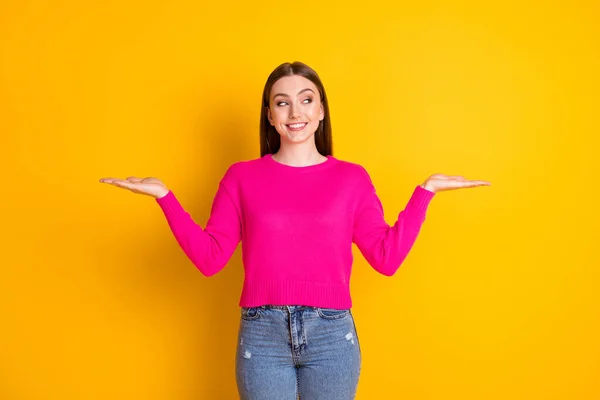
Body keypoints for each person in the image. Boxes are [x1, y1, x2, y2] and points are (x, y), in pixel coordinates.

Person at [99, 61, 490, 400]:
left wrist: (426, 193)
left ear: (321, 111)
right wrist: (165, 197)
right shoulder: (242, 177)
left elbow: (385, 259)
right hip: (261, 334)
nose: (294, 111)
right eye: (281, 102)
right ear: (269, 115)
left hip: (332, 335)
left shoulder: (351, 179)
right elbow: (209, 258)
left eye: (306, 99)